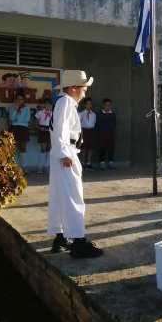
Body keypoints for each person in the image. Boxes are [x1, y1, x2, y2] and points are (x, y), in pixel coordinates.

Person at [48, 69, 102, 258]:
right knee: (73, 196)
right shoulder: (65, 103)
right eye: (84, 88)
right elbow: (61, 130)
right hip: (66, 153)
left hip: (64, 152)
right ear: (73, 88)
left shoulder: (64, 102)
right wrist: (64, 154)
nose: (85, 92)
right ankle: (78, 242)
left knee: (60, 196)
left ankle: (60, 237)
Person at [8, 91, 30, 173]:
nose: (19, 101)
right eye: (18, 99)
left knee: (23, 148)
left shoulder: (27, 108)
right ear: (15, 100)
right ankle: (13, 167)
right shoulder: (12, 107)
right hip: (14, 128)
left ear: (24, 100)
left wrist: (18, 120)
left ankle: (24, 167)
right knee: (13, 148)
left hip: (23, 128)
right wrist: (16, 110)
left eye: (21, 99)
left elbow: (27, 119)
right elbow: (11, 118)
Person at [34, 98, 53, 174]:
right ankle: (40, 168)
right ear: (44, 105)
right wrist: (40, 128)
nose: (48, 106)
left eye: (49, 104)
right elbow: (35, 123)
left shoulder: (54, 113)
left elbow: (56, 124)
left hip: (50, 131)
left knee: (49, 149)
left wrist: (51, 129)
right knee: (43, 149)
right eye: (46, 104)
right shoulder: (40, 113)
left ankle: (47, 167)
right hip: (42, 130)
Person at [98, 98, 117, 170]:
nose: (107, 107)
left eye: (109, 105)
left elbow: (114, 124)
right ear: (103, 105)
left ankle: (111, 162)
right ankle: (102, 162)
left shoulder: (112, 114)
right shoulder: (100, 114)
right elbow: (98, 124)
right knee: (102, 147)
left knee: (111, 147)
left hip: (110, 134)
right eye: (106, 105)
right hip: (102, 134)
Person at [79, 97, 97, 169]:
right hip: (84, 131)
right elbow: (79, 124)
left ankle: (89, 163)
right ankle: (83, 162)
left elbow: (94, 123)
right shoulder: (81, 114)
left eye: (90, 104)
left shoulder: (94, 114)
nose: (89, 106)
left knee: (90, 148)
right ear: (85, 105)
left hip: (91, 131)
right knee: (83, 148)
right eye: (87, 104)